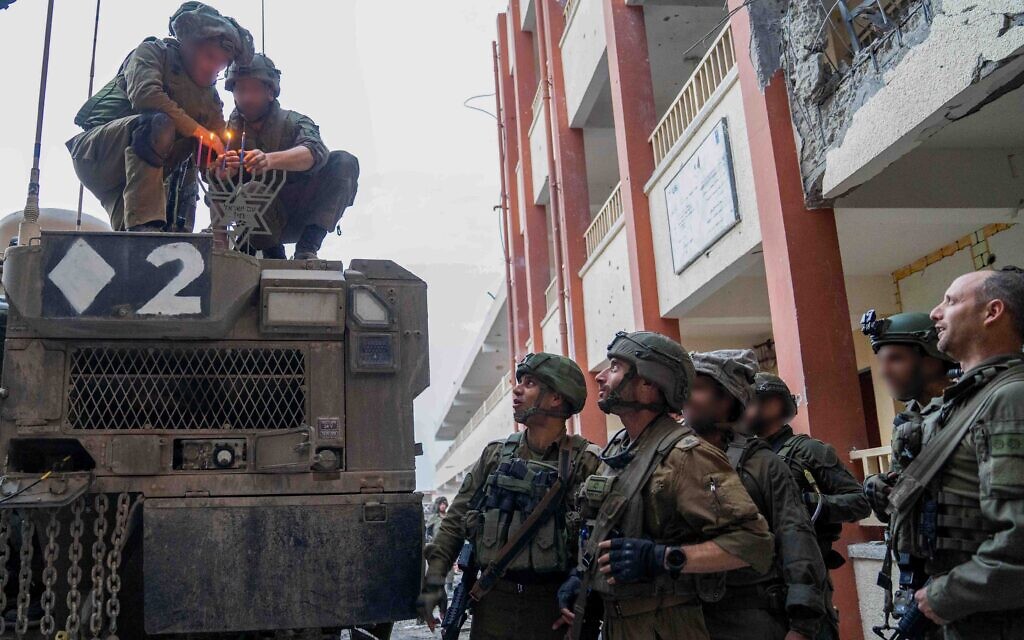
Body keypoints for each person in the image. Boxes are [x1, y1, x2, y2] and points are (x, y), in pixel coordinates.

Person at [559, 331, 774, 640]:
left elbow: (754, 543)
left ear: (648, 385)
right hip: (618, 623)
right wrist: (582, 577)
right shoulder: (619, 449)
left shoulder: (687, 455)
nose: (602, 377)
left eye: (616, 367)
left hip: (666, 626)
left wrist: (662, 558)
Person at [417, 353, 601, 640]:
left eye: (529, 383)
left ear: (556, 398)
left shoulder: (587, 461)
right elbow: (455, 520)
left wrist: (585, 592)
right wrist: (435, 579)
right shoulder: (495, 455)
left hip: (554, 609)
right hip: (493, 604)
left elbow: (605, 536)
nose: (516, 390)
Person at [887, 266, 1024, 639]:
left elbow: (1020, 539)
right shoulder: (964, 402)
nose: (935, 313)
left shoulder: (1010, 398)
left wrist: (946, 595)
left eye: (950, 300)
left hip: (993, 619)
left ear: (992, 312)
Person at [67, 2, 253, 232]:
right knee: (158, 123)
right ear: (189, 45)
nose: (214, 67)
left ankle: (163, 235)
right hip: (100, 154)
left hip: (145, 177)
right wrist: (202, 133)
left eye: (221, 64)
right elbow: (146, 95)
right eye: (209, 56)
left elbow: (213, 154)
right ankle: (145, 227)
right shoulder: (153, 53)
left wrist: (219, 168)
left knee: (141, 249)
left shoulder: (210, 99)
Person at [687, 350, 828, 640]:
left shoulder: (763, 464)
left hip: (751, 618)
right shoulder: (676, 459)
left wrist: (802, 625)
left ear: (728, 398)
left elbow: (796, 539)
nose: (687, 397)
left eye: (698, 389)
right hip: (687, 618)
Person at [742, 371, 870, 638]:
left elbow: (860, 502)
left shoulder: (808, 450)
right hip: (760, 584)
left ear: (774, 404)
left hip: (807, 577)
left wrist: (807, 504)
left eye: (750, 401)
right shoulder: (746, 457)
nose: (744, 409)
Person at [222, 54, 360, 260]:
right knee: (251, 191)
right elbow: (214, 186)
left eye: (254, 90)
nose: (247, 97)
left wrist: (269, 160)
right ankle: (272, 253)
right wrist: (221, 173)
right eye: (241, 90)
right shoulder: (225, 134)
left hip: (302, 214)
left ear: (270, 92)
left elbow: (315, 152)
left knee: (344, 162)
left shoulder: (294, 122)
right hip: (255, 223)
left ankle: (307, 248)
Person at [860, 310, 956, 521]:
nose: (884, 371)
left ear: (933, 358)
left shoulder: (969, 408)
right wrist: (882, 489)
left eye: (895, 359)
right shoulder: (907, 421)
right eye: (881, 361)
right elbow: (902, 505)